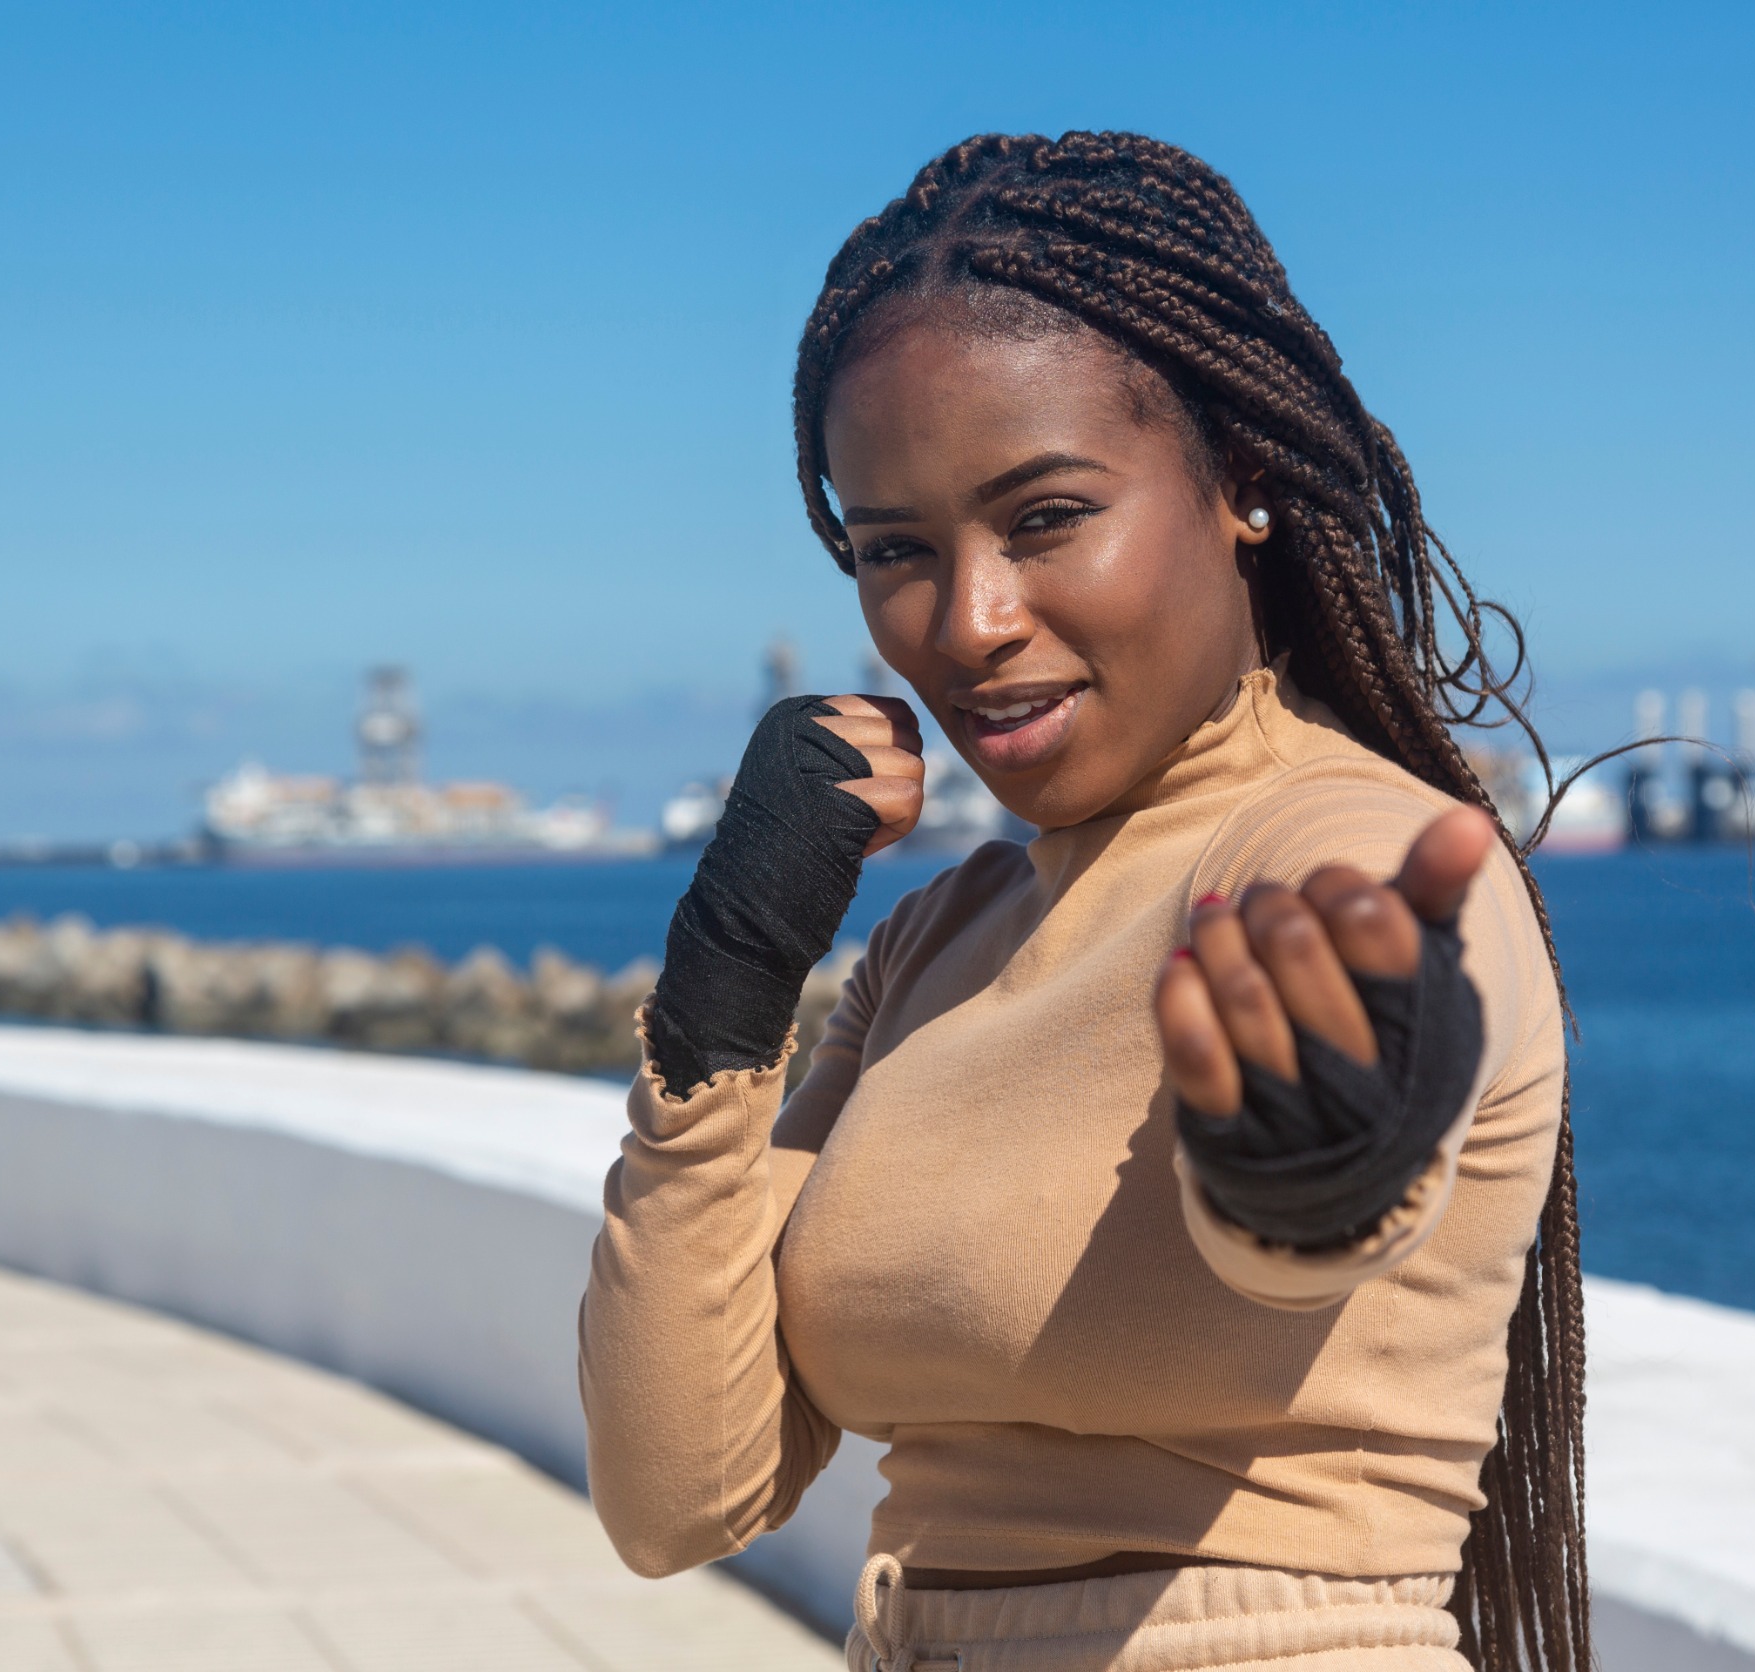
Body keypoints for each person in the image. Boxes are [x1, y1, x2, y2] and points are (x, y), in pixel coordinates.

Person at [581, 133, 1586, 1672]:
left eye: (1045, 517)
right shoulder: (936, 941)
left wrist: (1315, 1138)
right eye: (896, 550)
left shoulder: (1348, 846)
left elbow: (1335, 1137)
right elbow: (675, 1496)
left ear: (1240, 480)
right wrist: (727, 975)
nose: (970, 621)